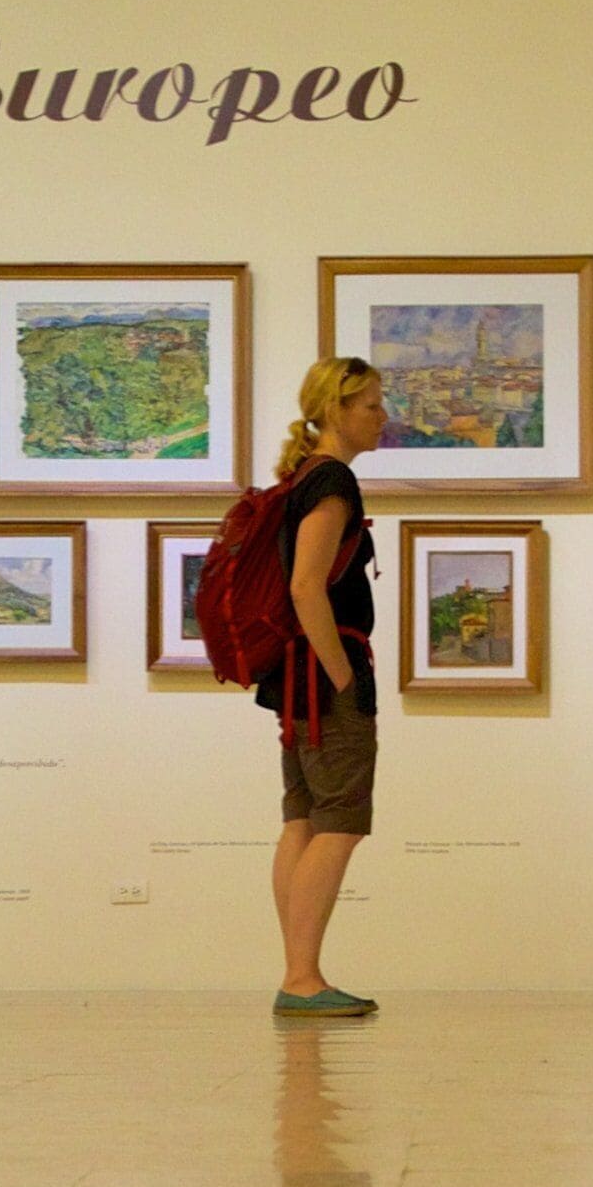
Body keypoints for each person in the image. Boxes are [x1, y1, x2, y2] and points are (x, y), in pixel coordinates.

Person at [262, 355, 388, 1018]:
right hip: (322, 676)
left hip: (294, 676)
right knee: (339, 822)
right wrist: (343, 674)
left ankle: (299, 972)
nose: (382, 416)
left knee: (304, 821)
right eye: (371, 404)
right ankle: (302, 977)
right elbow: (307, 585)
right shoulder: (332, 479)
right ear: (338, 409)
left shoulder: (300, 476)